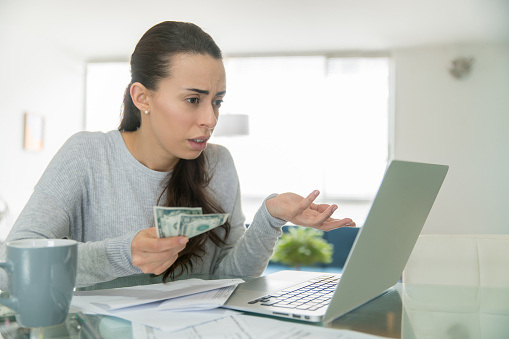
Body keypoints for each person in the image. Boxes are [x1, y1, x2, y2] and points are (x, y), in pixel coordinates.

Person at [0, 21, 354, 291]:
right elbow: (11, 262)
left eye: (217, 102)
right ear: (142, 98)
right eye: (192, 100)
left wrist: (270, 217)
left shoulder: (219, 164)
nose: (210, 119)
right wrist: (124, 254)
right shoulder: (87, 155)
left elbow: (230, 278)